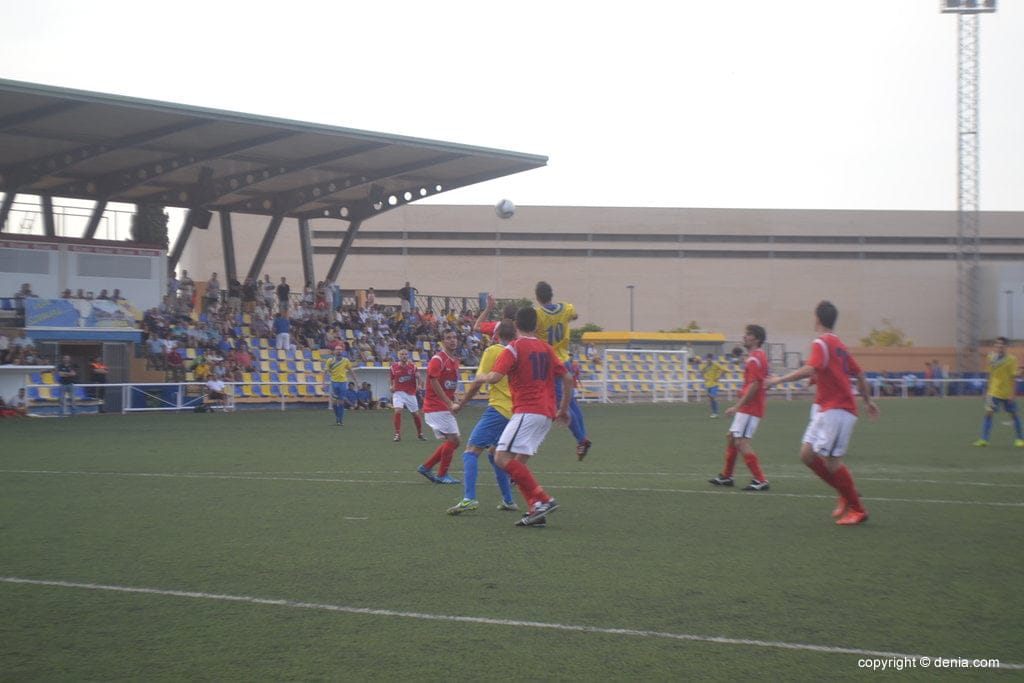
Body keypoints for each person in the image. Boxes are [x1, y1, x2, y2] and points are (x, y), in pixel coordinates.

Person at [766, 300, 880, 526]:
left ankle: (857, 508)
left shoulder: (820, 343)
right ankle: (845, 493)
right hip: (827, 408)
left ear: (817, 318)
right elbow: (857, 373)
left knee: (832, 462)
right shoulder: (838, 345)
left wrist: (778, 380)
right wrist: (867, 401)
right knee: (807, 455)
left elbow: (811, 367)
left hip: (837, 409)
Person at [464, 307, 573, 527]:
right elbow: (568, 378)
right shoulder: (546, 348)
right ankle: (535, 510)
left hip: (527, 410)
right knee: (516, 463)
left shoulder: (513, 348)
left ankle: (543, 499)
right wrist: (563, 409)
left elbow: (495, 378)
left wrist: (481, 376)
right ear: (537, 326)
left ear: (515, 326)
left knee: (501, 458)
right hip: (546, 413)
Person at [447, 320, 520, 515]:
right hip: (517, 412)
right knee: (495, 453)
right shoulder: (518, 351)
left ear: (495, 336)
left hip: (499, 409)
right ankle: (508, 500)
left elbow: (478, 381)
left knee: (471, 450)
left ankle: (469, 498)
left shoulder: (493, 351)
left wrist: (461, 404)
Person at [708, 325, 770, 491]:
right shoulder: (759, 356)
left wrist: (737, 406)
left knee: (741, 442)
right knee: (731, 437)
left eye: (748, 335)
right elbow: (762, 381)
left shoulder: (755, 359)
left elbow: (755, 385)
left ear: (756, 339)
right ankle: (727, 476)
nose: (744, 338)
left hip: (751, 408)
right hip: (749, 406)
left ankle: (760, 479)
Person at [534, 281, 591, 459]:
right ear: (552, 294)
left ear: (537, 297)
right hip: (565, 360)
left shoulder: (538, 314)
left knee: (562, 404)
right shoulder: (566, 308)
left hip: (549, 362)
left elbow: (531, 330)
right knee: (571, 400)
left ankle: (581, 438)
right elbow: (575, 316)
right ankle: (583, 436)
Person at [416, 329, 462, 485]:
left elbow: (449, 385)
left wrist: (455, 397)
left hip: (443, 406)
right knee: (454, 440)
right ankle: (441, 474)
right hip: (436, 406)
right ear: (443, 342)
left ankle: (427, 467)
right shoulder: (438, 359)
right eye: (448, 338)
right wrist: (449, 403)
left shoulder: (454, 360)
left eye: (454, 337)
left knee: (453, 440)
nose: (452, 340)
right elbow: (434, 382)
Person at [973, 336, 1023, 448]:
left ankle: (1020, 439)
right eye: (997, 344)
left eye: (1002, 344)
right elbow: (989, 375)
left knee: (1014, 415)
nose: (999, 346)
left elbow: (1013, 378)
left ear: (1006, 346)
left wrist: (1013, 394)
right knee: (988, 413)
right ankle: (984, 439)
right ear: (995, 346)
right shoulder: (991, 358)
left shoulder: (1012, 359)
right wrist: (986, 391)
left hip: (1007, 393)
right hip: (993, 392)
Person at [390, 348, 425, 441]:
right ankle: (397, 434)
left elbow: (420, 378)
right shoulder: (393, 368)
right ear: (398, 356)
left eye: (405, 354)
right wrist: (391, 386)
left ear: (408, 356)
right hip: (398, 393)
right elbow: (391, 379)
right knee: (397, 411)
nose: (404, 356)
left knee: (415, 414)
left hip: (410, 393)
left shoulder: (413, 367)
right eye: (402, 354)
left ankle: (420, 433)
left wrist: (420, 385)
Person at [323, 348, 359, 426]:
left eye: (340, 349)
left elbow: (351, 371)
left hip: (343, 382)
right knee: (334, 403)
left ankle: (340, 420)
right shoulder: (330, 361)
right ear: (334, 351)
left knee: (341, 401)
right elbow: (325, 372)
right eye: (337, 349)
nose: (339, 351)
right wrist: (323, 384)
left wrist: (357, 382)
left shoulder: (345, 361)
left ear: (342, 351)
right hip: (334, 383)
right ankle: (338, 417)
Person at [700, 353, 726, 418]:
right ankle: (714, 413)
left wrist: (719, 377)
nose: (709, 359)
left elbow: (724, 370)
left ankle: (716, 413)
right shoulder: (705, 365)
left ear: (712, 358)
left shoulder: (715, 364)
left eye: (710, 358)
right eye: (708, 358)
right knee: (711, 399)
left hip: (714, 384)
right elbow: (701, 371)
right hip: (708, 384)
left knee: (712, 397)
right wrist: (704, 378)